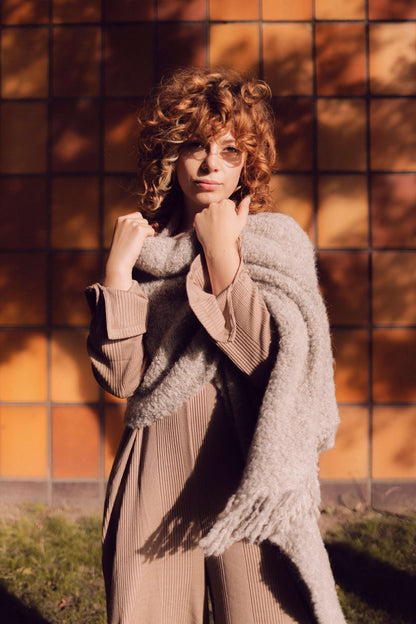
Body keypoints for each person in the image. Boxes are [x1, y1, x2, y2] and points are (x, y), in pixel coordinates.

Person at [85, 67, 346, 624]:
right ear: (168, 155)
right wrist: (116, 272)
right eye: (196, 147)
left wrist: (222, 251)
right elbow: (121, 380)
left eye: (229, 151)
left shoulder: (278, 242)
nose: (210, 165)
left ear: (247, 165)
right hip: (158, 464)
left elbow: (260, 359)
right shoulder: (146, 250)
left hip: (248, 466)